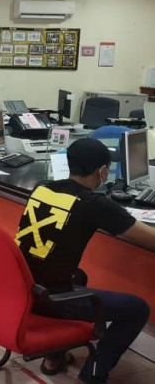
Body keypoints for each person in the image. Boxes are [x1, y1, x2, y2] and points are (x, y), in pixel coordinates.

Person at [15, 138, 155, 384]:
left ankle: (54, 358)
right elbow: (149, 238)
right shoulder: (94, 204)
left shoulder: (42, 187)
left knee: (78, 276)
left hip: (22, 285)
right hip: (48, 297)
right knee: (137, 308)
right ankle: (93, 375)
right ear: (102, 172)